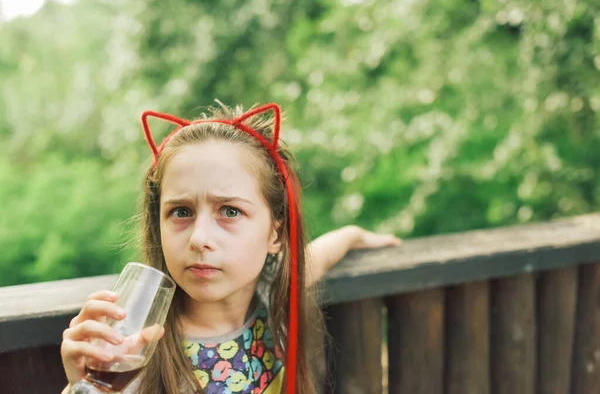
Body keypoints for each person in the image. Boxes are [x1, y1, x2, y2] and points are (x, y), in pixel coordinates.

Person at [60, 102, 400, 393]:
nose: (199, 238)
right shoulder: (138, 349)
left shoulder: (273, 298)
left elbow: (320, 254)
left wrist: (354, 235)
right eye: (181, 212)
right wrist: (81, 383)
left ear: (276, 235)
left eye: (230, 211)